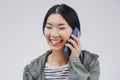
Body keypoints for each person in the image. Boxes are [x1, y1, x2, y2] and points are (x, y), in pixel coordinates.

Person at [23, 4, 100, 80]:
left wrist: (75, 61)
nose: (54, 34)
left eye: (61, 28)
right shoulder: (31, 70)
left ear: (75, 32)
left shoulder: (90, 63)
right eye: (49, 27)